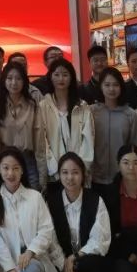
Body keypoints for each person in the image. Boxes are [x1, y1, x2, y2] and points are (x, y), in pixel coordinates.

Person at [45, 153, 112, 272]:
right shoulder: (51, 202)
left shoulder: (95, 200)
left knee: (95, 264)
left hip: (87, 259)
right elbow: (50, 239)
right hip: (62, 262)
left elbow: (100, 238)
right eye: (65, 172)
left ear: (83, 175)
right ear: (59, 175)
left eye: (75, 172)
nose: (70, 177)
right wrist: (65, 265)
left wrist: (74, 258)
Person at [38, 58, 95, 189]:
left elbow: (88, 139)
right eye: (56, 74)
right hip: (54, 174)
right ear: (50, 77)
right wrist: (54, 168)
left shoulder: (82, 106)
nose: (61, 79)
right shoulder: (43, 107)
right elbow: (42, 141)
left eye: (65, 74)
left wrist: (80, 167)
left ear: (71, 77)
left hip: (79, 174)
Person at [0, 62, 46, 191]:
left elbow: (39, 140)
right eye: (9, 78)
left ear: (24, 81)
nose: (14, 83)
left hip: (28, 160)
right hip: (5, 160)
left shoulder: (33, 105)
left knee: (33, 197)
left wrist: (42, 173)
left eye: (18, 78)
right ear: (4, 80)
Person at [89, 67, 137, 190]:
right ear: (101, 86)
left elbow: (135, 145)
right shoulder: (91, 112)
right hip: (94, 177)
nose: (111, 89)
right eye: (107, 85)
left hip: (122, 176)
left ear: (121, 87)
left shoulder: (130, 114)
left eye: (115, 85)